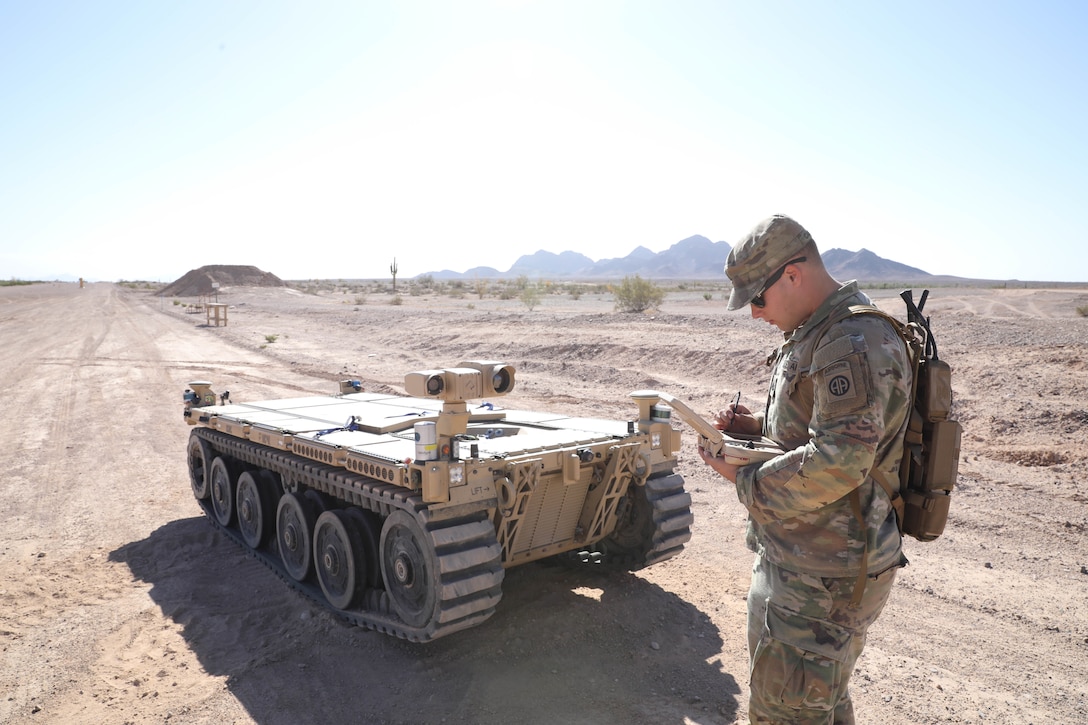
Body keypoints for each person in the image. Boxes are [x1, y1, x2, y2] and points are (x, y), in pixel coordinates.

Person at [698, 215, 912, 725]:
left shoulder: (849, 339)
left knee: (787, 715)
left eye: (758, 299)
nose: (754, 314)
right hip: (808, 564)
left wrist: (745, 479)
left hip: (822, 576)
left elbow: (840, 461)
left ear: (792, 275)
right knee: (816, 708)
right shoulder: (818, 331)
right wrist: (753, 431)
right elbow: (824, 433)